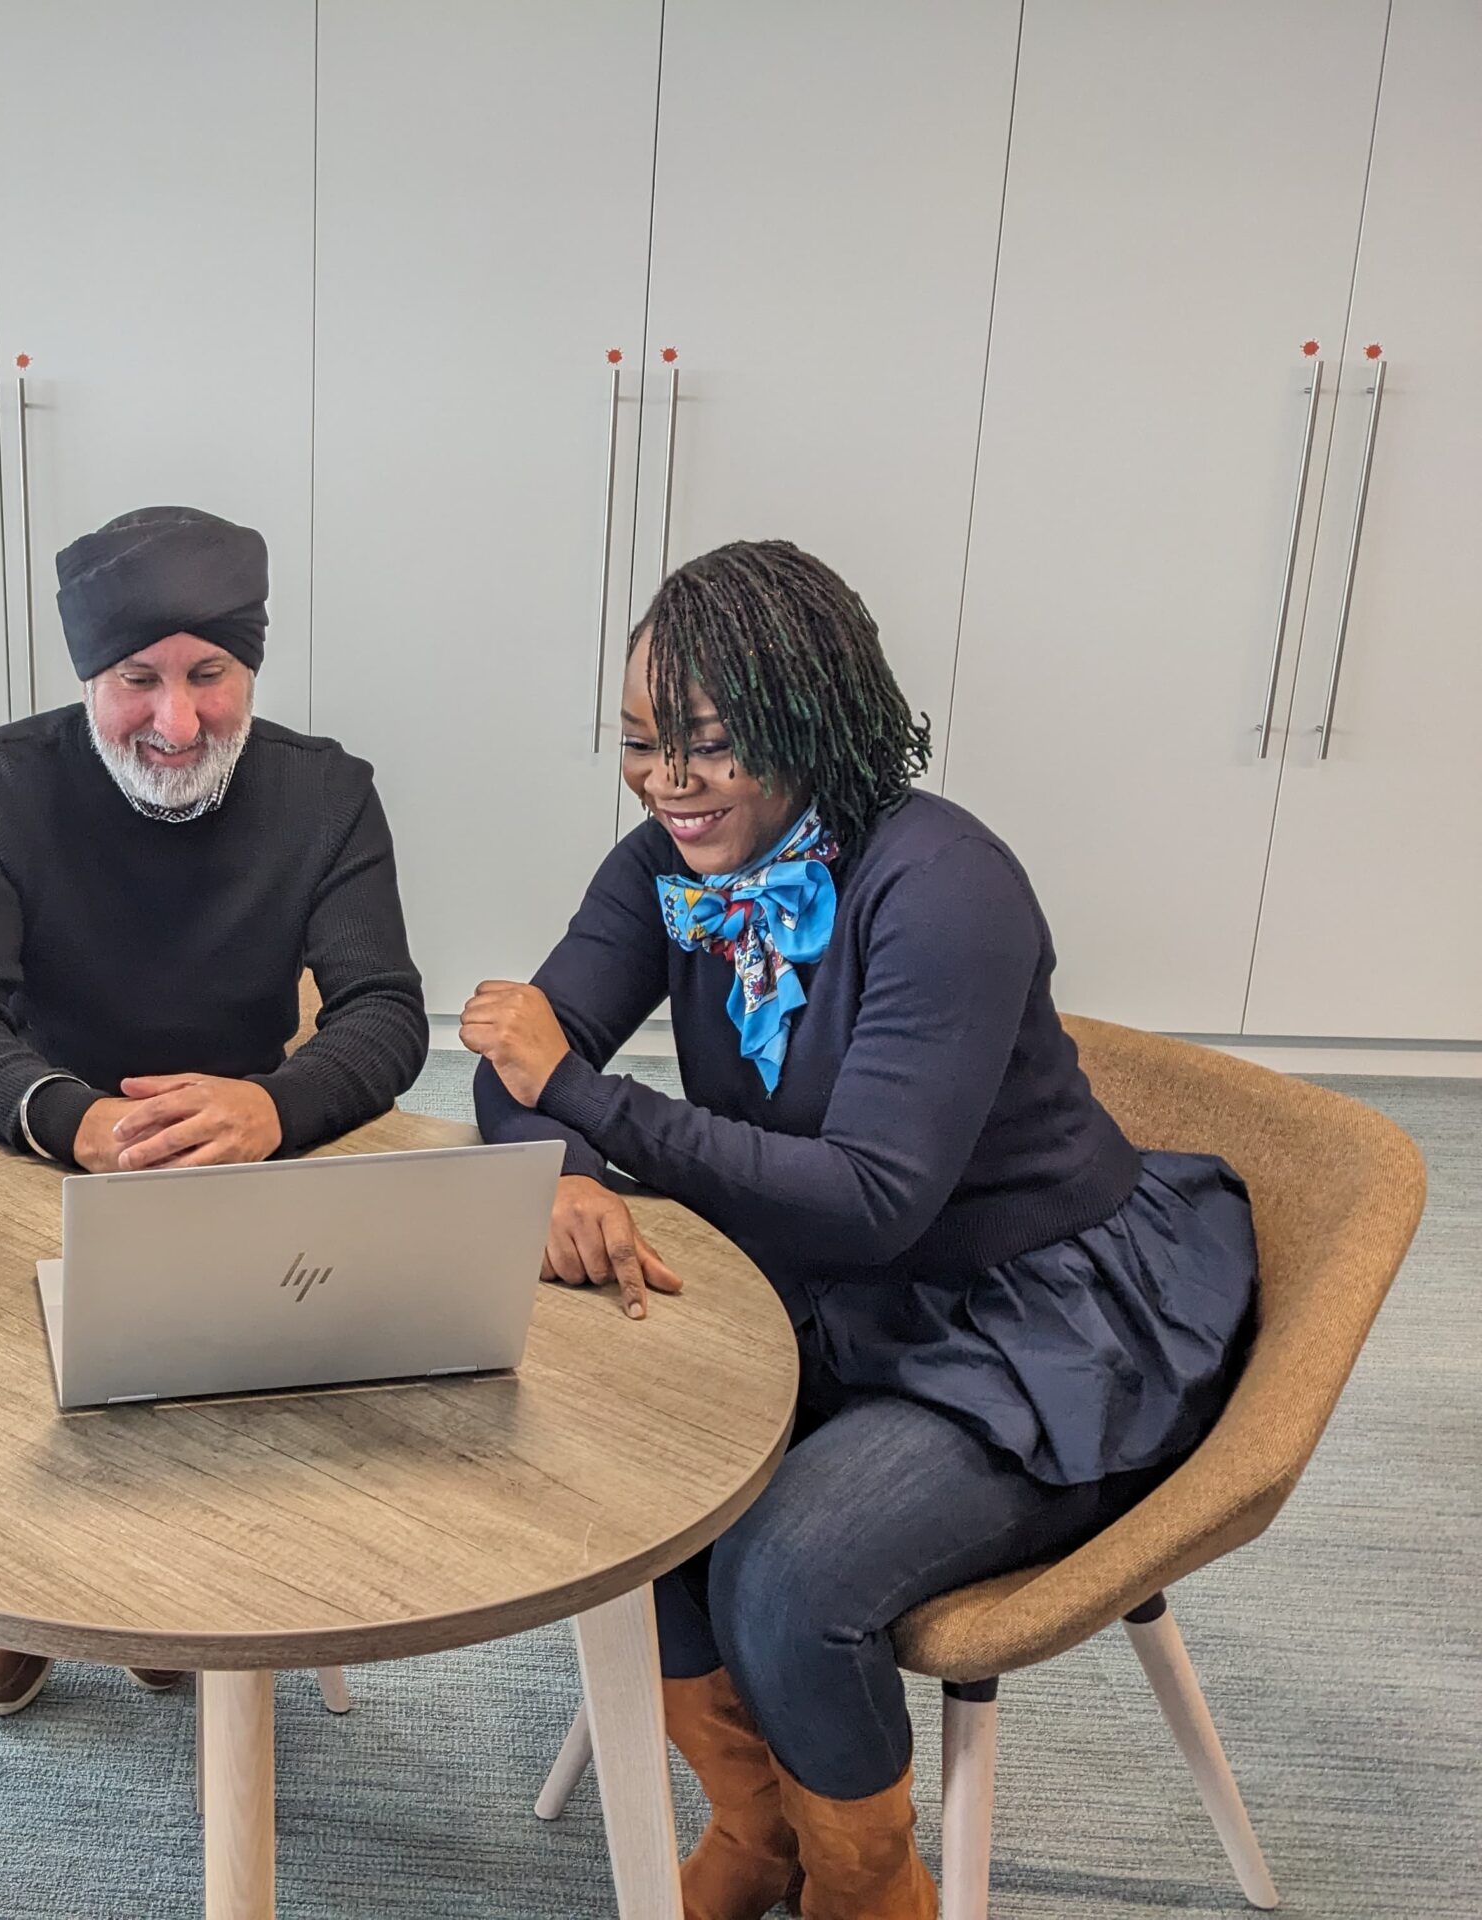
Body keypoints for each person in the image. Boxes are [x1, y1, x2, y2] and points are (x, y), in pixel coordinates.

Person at [462, 540, 1256, 1920]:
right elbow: (512, 1065)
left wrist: (589, 1103)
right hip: (822, 1293)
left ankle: (869, 1883)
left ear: (812, 723)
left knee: (786, 1576)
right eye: (643, 744)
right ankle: (754, 1828)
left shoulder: (944, 883)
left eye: (708, 747)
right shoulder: (666, 863)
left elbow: (872, 1195)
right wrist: (559, 1174)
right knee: (605, 1474)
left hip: (1028, 1321)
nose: (666, 783)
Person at [0, 504, 429, 1714]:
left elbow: (386, 1014)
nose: (176, 720)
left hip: (239, 1159)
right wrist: (76, 1120)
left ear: (251, 668)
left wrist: (272, 1106)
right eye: (137, 679)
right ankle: (16, 1586)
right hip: (38, 1152)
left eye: (210, 675)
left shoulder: (327, 793)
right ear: (90, 676)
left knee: (215, 1395)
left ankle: (158, 1591)